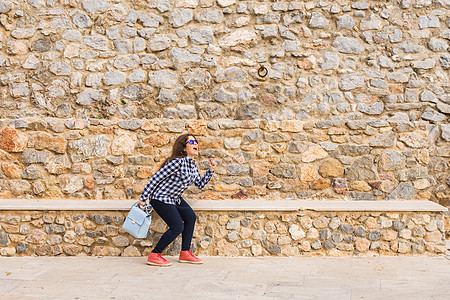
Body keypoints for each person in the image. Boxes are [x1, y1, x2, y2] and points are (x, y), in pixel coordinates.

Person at [139, 133, 217, 266]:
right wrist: (143, 197)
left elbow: (200, 184)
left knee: (190, 217)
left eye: (196, 141)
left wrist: (211, 170)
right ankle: (154, 254)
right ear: (183, 147)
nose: (195, 144)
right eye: (191, 142)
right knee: (177, 227)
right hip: (160, 197)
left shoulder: (192, 164)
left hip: (174, 198)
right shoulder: (176, 162)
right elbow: (156, 178)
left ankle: (185, 253)